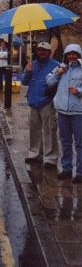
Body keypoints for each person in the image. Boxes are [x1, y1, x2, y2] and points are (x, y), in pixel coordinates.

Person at [46, 44, 82, 183]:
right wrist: (58, 73)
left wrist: (78, 91)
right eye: (69, 54)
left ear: (79, 55)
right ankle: (66, 169)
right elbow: (49, 82)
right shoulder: (61, 68)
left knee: (79, 143)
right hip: (62, 111)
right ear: (65, 55)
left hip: (78, 111)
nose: (71, 56)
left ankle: (80, 172)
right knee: (65, 141)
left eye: (74, 53)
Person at [22, 42, 59, 168]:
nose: (42, 52)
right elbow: (24, 82)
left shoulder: (56, 65)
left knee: (49, 131)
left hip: (48, 103)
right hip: (33, 102)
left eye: (45, 50)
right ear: (36, 51)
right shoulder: (32, 65)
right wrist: (27, 71)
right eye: (40, 50)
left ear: (49, 52)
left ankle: (50, 158)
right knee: (34, 130)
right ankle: (35, 154)